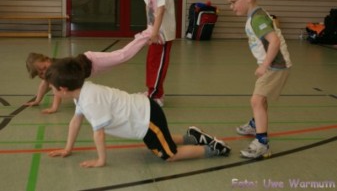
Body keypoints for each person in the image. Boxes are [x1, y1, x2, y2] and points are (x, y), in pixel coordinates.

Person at [45, 58, 231, 167]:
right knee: (162, 139)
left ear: (62, 89)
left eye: (52, 89)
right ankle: (194, 136)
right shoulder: (83, 91)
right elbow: (75, 121)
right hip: (145, 113)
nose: (52, 92)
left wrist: (101, 160)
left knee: (169, 155)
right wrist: (68, 149)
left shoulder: (90, 100)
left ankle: (213, 148)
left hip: (146, 118)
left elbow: (99, 133)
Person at [224, 0, 292, 159]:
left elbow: (274, 41)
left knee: (256, 100)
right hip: (273, 65)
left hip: (276, 66)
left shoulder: (258, 18)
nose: (231, 7)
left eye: (233, 2)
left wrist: (265, 65)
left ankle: (262, 143)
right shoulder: (254, 16)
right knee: (260, 100)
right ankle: (256, 124)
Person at [25, 27, 157, 114]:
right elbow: (44, 85)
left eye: (43, 68)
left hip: (93, 60)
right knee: (121, 58)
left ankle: (145, 36)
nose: (44, 73)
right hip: (93, 69)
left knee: (121, 56)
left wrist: (54, 108)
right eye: (40, 74)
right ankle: (143, 40)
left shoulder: (55, 67)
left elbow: (56, 90)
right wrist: (37, 100)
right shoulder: (50, 73)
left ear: (47, 59)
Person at [142, 0, 176, 107]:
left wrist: (155, 33)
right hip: (154, 32)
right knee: (151, 62)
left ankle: (156, 95)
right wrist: (149, 29)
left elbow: (160, 12)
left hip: (162, 35)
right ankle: (153, 90)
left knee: (158, 65)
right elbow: (150, 9)